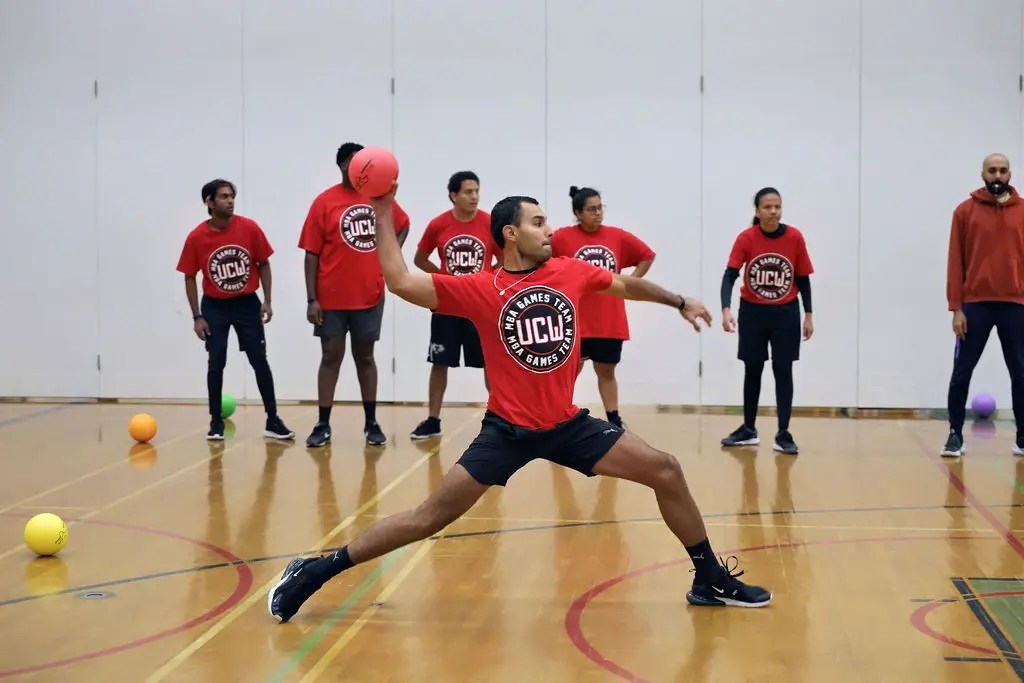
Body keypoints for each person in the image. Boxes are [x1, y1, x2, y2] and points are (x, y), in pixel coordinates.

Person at [268, 187, 772, 624]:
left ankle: (708, 579)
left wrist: (678, 300)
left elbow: (624, 284)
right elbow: (400, 281)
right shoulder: (481, 288)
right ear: (510, 234)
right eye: (537, 222)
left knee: (665, 469)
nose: (549, 229)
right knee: (428, 517)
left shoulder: (568, 272)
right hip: (506, 431)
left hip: (567, 426)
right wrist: (381, 214)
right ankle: (315, 571)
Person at [298, 142, 411, 448]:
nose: (360, 168)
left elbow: (403, 224)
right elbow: (311, 253)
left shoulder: (377, 197)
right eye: (353, 162)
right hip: (331, 298)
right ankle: (322, 424)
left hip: (369, 294)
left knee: (365, 357)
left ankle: (371, 423)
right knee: (330, 356)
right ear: (342, 165)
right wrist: (312, 299)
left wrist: (389, 254)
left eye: (364, 163)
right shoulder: (324, 202)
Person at [176, 179, 295, 441]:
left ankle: (272, 419)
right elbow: (188, 275)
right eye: (223, 197)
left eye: (232, 196)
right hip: (214, 307)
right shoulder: (197, 237)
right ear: (209, 202)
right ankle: (215, 422)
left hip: (246, 303)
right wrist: (197, 317)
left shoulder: (249, 228)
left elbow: (263, 263)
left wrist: (267, 300)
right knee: (216, 361)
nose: (230, 201)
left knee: (259, 359)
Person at [551, 185, 656, 430]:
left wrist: (630, 284)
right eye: (591, 209)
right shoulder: (562, 238)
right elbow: (542, 260)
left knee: (606, 371)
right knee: (569, 372)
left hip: (609, 319)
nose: (598, 213)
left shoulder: (616, 236)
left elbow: (647, 255)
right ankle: (558, 416)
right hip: (575, 319)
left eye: (600, 207)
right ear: (578, 212)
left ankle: (614, 419)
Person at [719, 187, 814, 455]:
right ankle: (748, 429)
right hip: (753, 313)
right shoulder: (746, 238)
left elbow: (803, 277)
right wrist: (726, 309)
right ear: (757, 211)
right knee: (753, 369)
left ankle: (783, 432)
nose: (773, 211)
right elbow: (730, 275)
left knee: (783, 370)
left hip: (785, 313)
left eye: (777, 207)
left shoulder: (794, 237)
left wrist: (808, 313)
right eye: (768, 207)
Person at [942, 152, 1024, 458]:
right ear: (982, 174)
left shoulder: (1023, 211)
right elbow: (955, 263)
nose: (998, 176)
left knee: (1021, 373)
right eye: (992, 170)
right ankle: (954, 435)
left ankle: (1023, 437)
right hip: (975, 306)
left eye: (1003, 170)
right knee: (962, 372)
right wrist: (956, 308)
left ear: (1010, 174)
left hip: (1015, 306)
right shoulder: (964, 212)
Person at [409, 171, 498, 439]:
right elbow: (419, 259)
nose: (474, 196)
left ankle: (498, 419)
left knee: (490, 363)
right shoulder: (438, 225)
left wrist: (486, 279)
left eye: (477, 191)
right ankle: (433, 420)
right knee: (440, 362)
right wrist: (444, 279)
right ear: (453, 195)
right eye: (468, 192)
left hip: (480, 305)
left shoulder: (490, 223)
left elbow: (506, 260)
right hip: (447, 305)